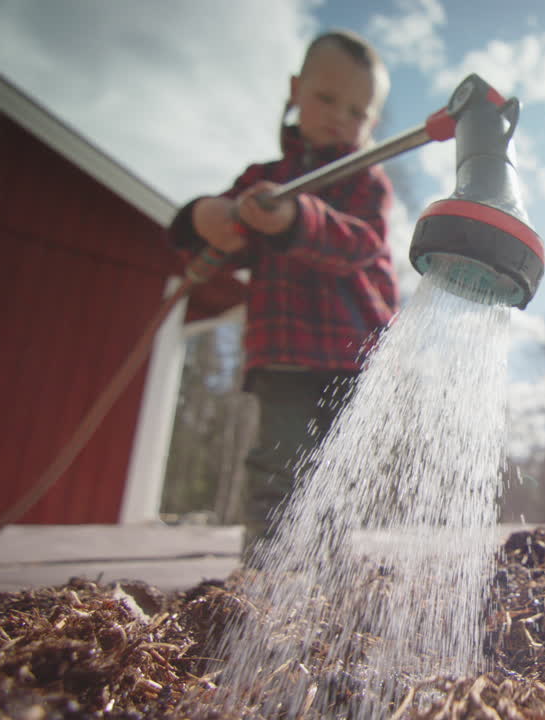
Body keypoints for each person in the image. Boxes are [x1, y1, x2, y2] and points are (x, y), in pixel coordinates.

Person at [168, 30, 398, 564]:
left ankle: (329, 576)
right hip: (284, 352)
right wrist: (206, 219)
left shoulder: (367, 181)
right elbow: (222, 245)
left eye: (357, 111)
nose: (340, 116)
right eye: (325, 98)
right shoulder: (262, 181)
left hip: (351, 354)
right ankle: (266, 580)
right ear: (296, 90)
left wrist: (298, 219)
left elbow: (361, 243)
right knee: (278, 461)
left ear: (373, 124)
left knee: (336, 469)